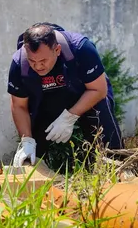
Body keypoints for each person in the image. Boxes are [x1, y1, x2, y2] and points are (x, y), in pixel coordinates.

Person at [7, 22, 124, 166]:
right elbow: (19, 106)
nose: (38, 66)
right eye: (32, 61)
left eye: (43, 60)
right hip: (44, 100)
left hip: (86, 95)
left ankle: (114, 170)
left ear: (57, 50)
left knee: (106, 141)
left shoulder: (81, 49)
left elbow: (99, 89)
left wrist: (69, 117)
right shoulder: (19, 63)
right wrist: (27, 141)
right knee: (32, 153)